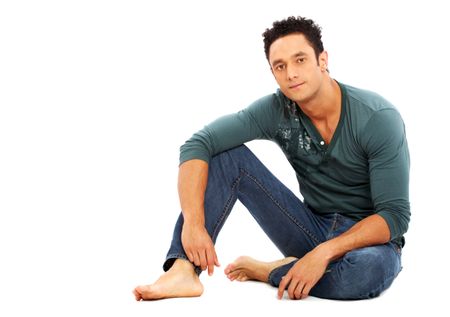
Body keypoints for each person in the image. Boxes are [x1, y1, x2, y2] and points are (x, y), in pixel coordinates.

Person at [133, 16, 410, 301]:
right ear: (273, 73)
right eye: (280, 66)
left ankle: (273, 272)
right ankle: (182, 270)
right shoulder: (277, 109)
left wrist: (324, 253)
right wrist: (193, 223)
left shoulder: (377, 118)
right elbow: (197, 144)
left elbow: (394, 216)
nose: (291, 73)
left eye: (300, 60)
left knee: (363, 272)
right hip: (311, 227)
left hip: (370, 244)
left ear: (323, 60)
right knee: (228, 156)